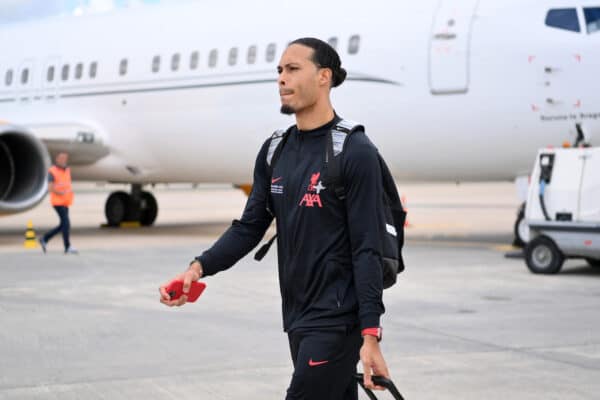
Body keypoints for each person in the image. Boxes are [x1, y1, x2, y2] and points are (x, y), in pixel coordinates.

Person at [160, 37, 390, 399]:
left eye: (293, 69)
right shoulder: (275, 150)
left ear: (323, 77)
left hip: (337, 318)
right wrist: (198, 268)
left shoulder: (354, 151)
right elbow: (250, 227)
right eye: (280, 70)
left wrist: (370, 334)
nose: (282, 78)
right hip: (297, 314)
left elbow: (368, 248)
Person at [39, 152, 78, 254]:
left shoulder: (67, 170)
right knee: (66, 224)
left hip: (65, 202)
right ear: (57, 159)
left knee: (63, 225)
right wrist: (60, 192)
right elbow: (50, 188)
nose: (63, 160)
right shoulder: (52, 171)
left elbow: (66, 184)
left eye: (65, 159)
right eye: (61, 158)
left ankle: (44, 239)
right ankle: (67, 247)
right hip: (57, 202)